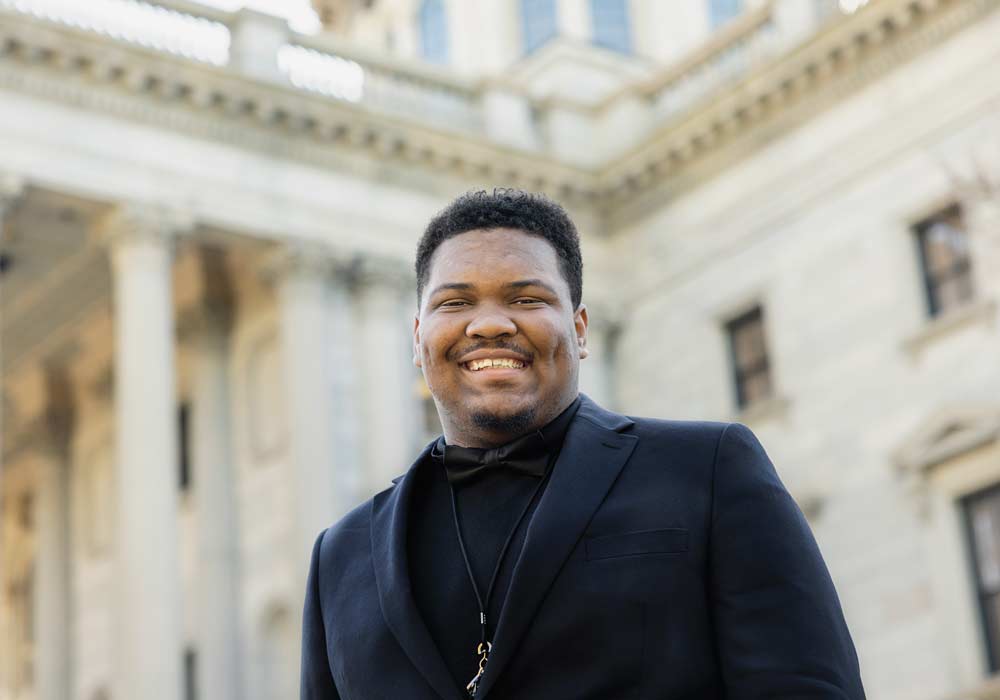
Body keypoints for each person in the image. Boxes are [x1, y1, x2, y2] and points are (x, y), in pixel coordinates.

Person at [300, 189, 866, 699]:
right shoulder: (339, 557)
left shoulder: (708, 471)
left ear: (579, 329)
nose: (489, 324)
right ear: (417, 339)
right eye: (455, 303)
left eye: (525, 299)